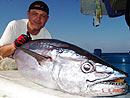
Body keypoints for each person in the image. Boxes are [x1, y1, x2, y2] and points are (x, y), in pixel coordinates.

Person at [0, 1, 52, 70]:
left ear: (47, 19)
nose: (38, 18)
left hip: (29, 64)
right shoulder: (15, 25)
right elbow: (2, 52)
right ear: (28, 14)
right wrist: (14, 45)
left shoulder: (47, 36)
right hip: (8, 59)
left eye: (43, 16)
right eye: (34, 14)